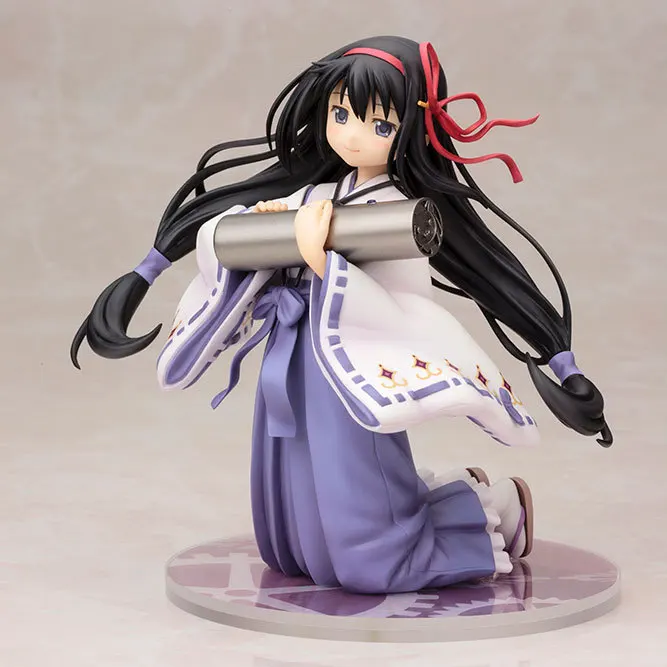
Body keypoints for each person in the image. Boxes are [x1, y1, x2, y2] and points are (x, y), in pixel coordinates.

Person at [71, 36, 611, 594]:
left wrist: (320, 261)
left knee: (369, 555)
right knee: (291, 542)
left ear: (412, 130)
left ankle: (490, 513)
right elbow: (230, 237)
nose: (352, 136)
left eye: (379, 124)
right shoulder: (317, 194)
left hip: (351, 367)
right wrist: (263, 229)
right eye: (340, 115)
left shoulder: (399, 212)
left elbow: (403, 307)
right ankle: (445, 500)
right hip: (294, 356)